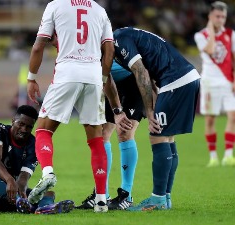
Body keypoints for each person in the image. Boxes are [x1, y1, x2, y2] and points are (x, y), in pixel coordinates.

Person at [26, 0, 132, 213]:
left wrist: (31, 78)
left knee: (43, 130)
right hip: (93, 75)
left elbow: (38, 46)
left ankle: (47, 174)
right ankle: (101, 199)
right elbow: (109, 49)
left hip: (67, 72)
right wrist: (102, 78)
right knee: (96, 139)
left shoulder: (55, 6)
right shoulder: (100, 10)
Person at [113, 27, 200, 211]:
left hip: (175, 80)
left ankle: (157, 199)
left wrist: (150, 110)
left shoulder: (118, 38)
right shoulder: (130, 35)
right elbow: (150, 74)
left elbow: (141, 72)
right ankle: (165, 197)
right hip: (187, 77)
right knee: (168, 137)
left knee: (157, 134)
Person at [0, 105, 74, 214]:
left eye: (29, 127)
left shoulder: (33, 144)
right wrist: (9, 180)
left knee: (48, 194)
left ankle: (43, 208)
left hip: (12, 194)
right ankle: (23, 203)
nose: (24, 130)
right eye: (21, 124)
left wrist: (22, 191)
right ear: (13, 121)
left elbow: (24, 177)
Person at [76, 61, 145, 210]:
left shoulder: (110, 41)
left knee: (125, 132)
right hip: (108, 82)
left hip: (131, 80)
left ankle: (126, 194)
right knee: (101, 133)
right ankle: (102, 193)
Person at [194, 1, 235, 167]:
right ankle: (213, 156)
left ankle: (228, 155)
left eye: (223, 17)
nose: (221, 20)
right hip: (210, 82)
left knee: (233, 116)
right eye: (217, 16)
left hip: (227, 81)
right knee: (210, 120)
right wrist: (211, 30)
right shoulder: (201, 35)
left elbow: (233, 58)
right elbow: (211, 50)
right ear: (210, 16)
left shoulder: (231, 34)